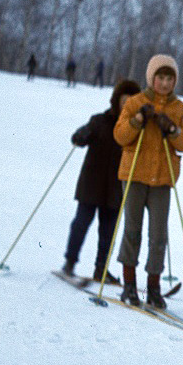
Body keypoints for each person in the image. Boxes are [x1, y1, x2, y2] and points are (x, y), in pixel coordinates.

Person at [113, 54, 183, 309]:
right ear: (152, 77)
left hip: (162, 179)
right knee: (132, 231)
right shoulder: (136, 102)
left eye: (170, 78)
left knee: (159, 236)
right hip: (135, 175)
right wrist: (138, 120)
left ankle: (154, 288)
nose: (165, 83)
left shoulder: (181, 109)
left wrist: (170, 129)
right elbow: (120, 135)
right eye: (160, 77)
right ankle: (128, 285)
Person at [62, 78, 142, 283]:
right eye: (124, 101)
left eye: (131, 102)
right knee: (81, 223)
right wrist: (81, 136)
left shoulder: (136, 129)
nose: (126, 105)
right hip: (92, 183)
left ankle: (101, 269)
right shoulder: (99, 121)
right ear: (116, 101)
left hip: (116, 187)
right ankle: (69, 263)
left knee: (108, 232)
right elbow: (78, 138)